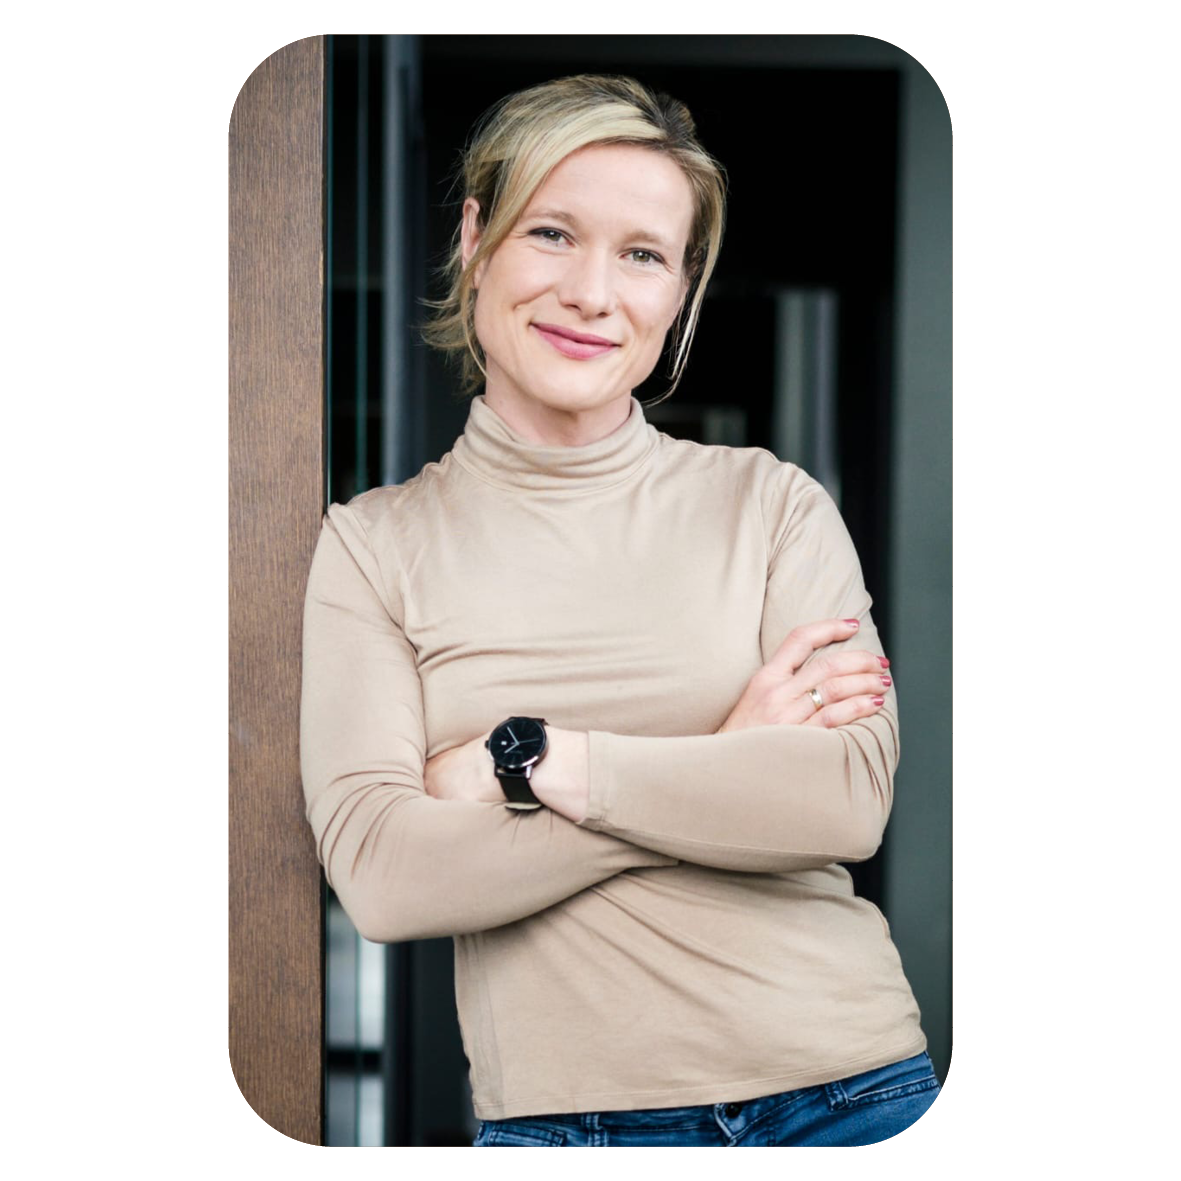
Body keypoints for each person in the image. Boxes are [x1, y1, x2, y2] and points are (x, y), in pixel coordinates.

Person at [300, 73, 941, 1148]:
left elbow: (840, 803)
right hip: (568, 1122)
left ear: (678, 290)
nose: (592, 293)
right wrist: (725, 757)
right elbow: (386, 878)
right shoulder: (374, 545)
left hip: (849, 1092)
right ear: (475, 239)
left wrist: (530, 763)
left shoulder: (769, 503)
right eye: (551, 233)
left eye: (642, 254)